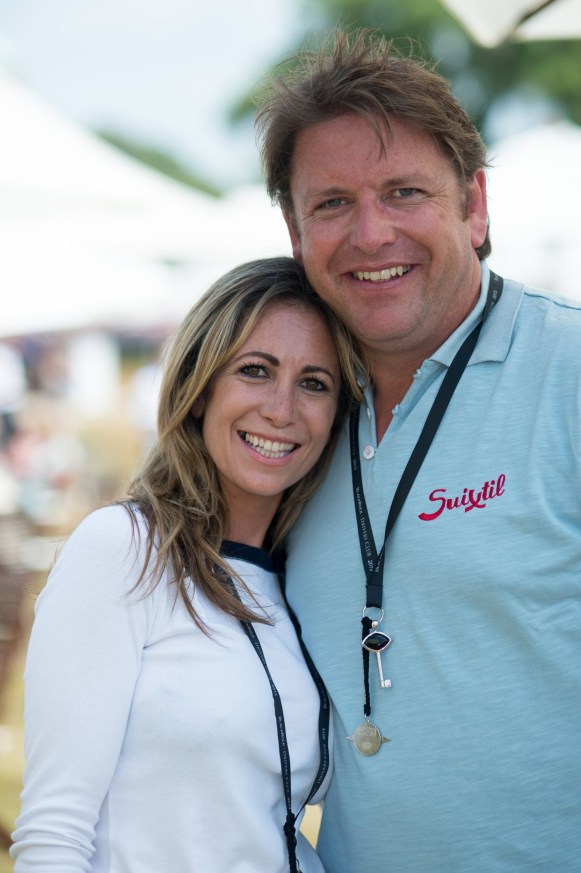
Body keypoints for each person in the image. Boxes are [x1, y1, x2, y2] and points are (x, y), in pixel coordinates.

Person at [255, 29, 581, 872]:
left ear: (473, 204)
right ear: (294, 231)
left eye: (404, 192)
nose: (371, 233)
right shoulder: (296, 418)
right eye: (331, 204)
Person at [10, 257, 366, 873]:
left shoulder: (303, 585)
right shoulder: (123, 551)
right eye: (255, 371)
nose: (282, 409)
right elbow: (52, 836)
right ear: (200, 390)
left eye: (315, 383)